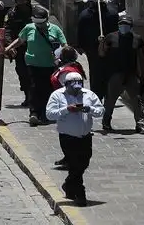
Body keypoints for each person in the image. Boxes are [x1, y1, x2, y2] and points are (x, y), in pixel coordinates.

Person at [45, 72, 104, 207]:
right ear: (66, 85)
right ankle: (80, 194)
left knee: (84, 162)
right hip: (67, 137)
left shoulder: (89, 95)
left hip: (85, 136)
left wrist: (89, 109)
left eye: (78, 87)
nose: (76, 91)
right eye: (73, 88)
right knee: (74, 164)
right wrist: (66, 110)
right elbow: (49, 114)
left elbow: (100, 110)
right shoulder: (57, 96)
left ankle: (69, 185)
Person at [4, 6, 67, 126]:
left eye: (41, 24)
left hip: (50, 65)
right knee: (34, 88)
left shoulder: (55, 29)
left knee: (48, 89)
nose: (39, 26)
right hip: (33, 63)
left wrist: (63, 54)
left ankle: (44, 113)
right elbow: (20, 40)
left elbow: (64, 44)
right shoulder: (29, 28)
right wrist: (8, 48)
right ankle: (34, 113)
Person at [98, 11, 144, 134]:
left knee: (136, 100)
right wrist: (101, 43)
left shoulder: (137, 39)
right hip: (115, 74)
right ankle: (106, 122)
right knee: (110, 100)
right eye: (121, 24)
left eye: (126, 25)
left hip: (131, 74)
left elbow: (142, 58)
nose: (123, 27)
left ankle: (140, 124)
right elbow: (102, 53)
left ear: (131, 27)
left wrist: (142, 75)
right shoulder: (110, 37)